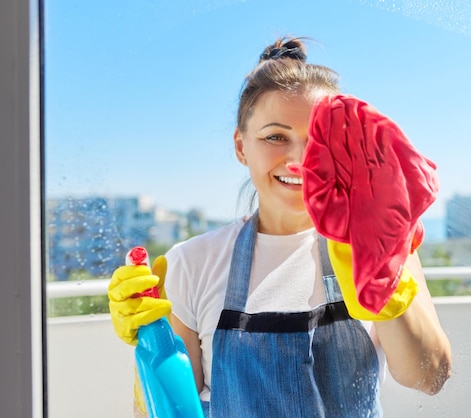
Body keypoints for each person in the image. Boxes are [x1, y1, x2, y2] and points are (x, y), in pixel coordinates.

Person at [108, 36, 452, 418]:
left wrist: (383, 279)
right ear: (241, 147)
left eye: (318, 141)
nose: (300, 161)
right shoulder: (192, 263)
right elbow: (167, 412)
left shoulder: (385, 239)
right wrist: (149, 343)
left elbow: (429, 376)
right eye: (275, 137)